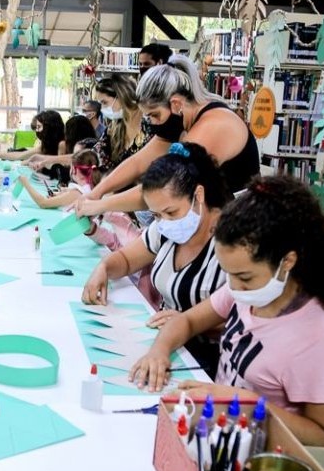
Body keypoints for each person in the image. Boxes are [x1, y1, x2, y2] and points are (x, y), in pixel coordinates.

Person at [130, 176, 324, 447]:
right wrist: (159, 351)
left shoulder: (321, 337)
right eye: (228, 274)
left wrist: (241, 403)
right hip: (219, 427)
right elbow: (187, 321)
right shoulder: (248, 291)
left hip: (258, 455)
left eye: (245, 277)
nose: (233, 287)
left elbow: (322, 438)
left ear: (288, 261)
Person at [83, 143, 231, 373]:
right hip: (165, 344)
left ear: (198, 195)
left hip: (210, 360)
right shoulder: (166, 228)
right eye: (156, 215)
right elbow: (127, 260)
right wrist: (103, 268)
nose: (164, 221)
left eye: (171, 212)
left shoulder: (232, 240)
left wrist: (189, 323)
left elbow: (246, 314)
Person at [76, 55, 260, 219]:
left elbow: (165, 186)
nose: (154, 124)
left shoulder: (214, 126)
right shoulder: (181, 120)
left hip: (241, 225)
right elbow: (139, 162)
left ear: (176, 104)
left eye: (155, 115)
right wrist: (96, 192)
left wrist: (101, 205)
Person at [94, 75, 150, 173]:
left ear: (121, 96)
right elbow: (94, 155)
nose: (102, 109)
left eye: (104, 102)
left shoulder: (150, 126)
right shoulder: (113, 129)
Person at [18, 148, 101, 209]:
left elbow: (43, 203)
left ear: (74, 170)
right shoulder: (94, 187)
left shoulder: (77, 192)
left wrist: (25, 183)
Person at [0, 110, 65, 163]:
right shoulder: (46, 146)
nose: (37, 131)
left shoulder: (62, 144)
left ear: (49, 127)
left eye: (39, 127)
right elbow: (20, 155)